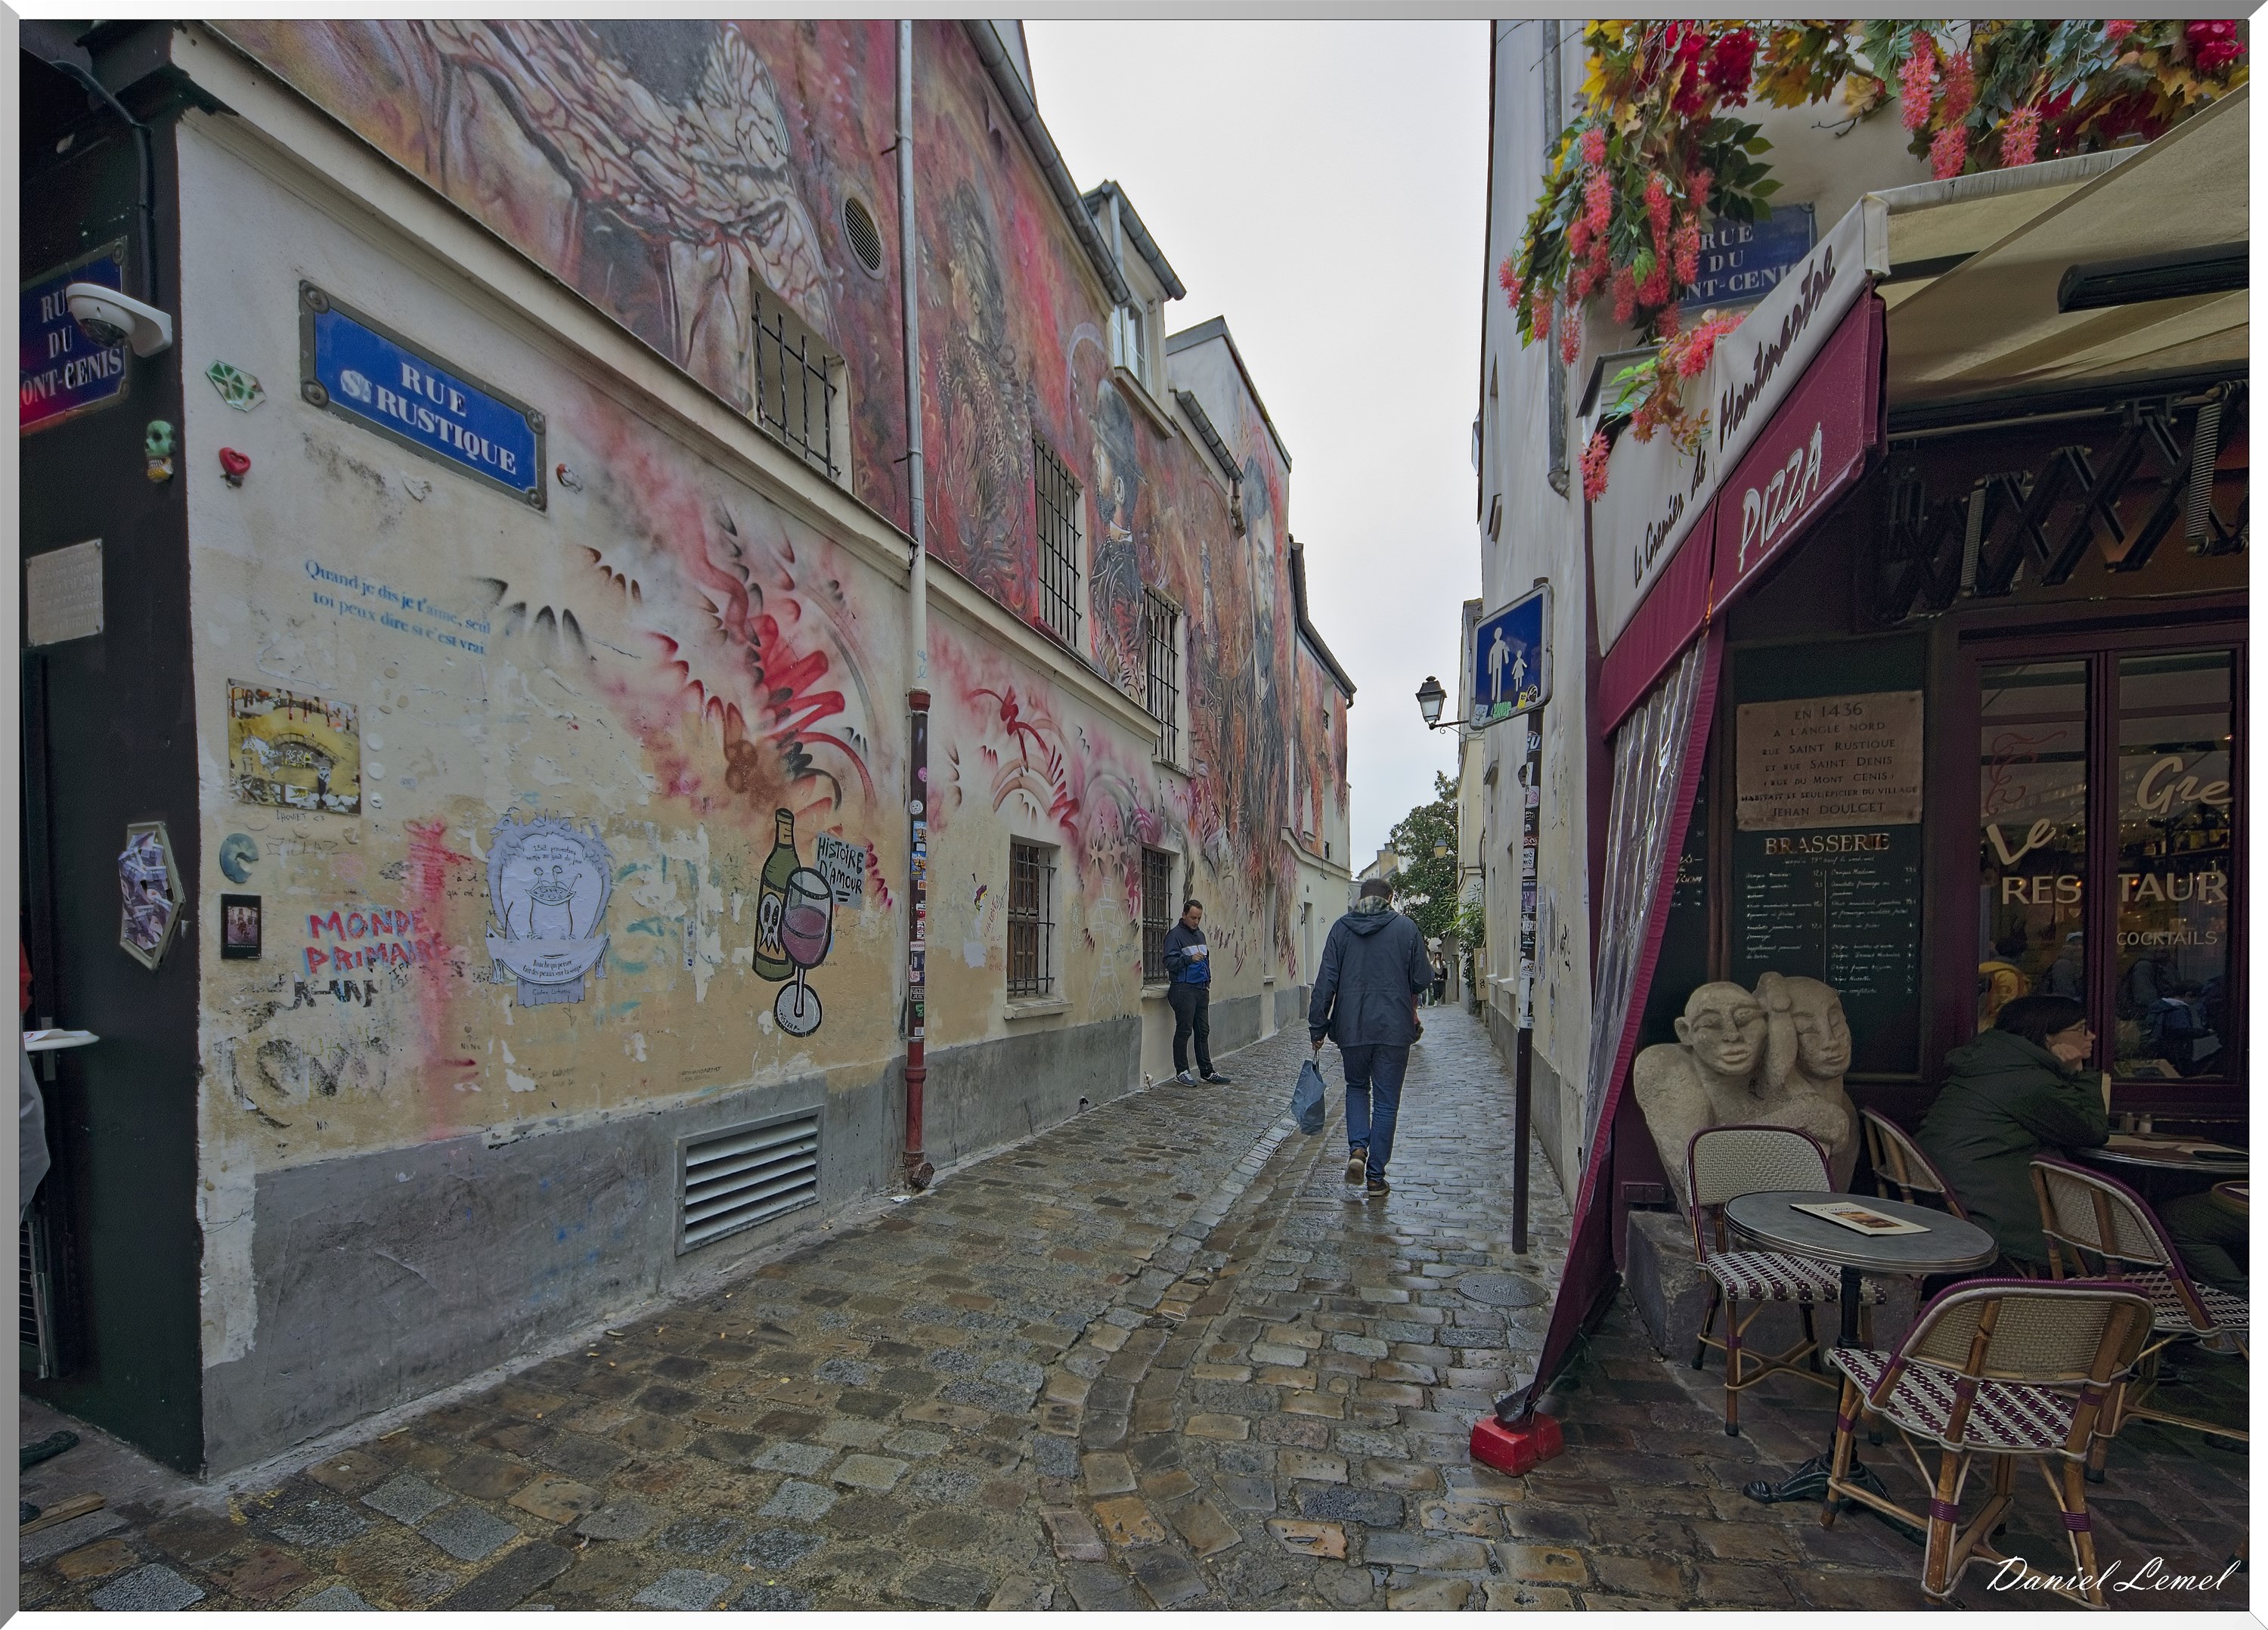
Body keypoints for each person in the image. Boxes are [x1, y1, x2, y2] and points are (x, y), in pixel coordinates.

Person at [1918, 994, 2108, 1270]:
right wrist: (2076, 1072)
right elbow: (2092, 1131)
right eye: (2080, 1029)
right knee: (2101, 1236)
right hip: (1989, 1210)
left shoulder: (1996, 1061)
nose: (2091, 1036)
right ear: (2049, 1038)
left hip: (1953, 1193)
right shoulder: (2028, 1080)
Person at [1309, 879, 1433, 1197]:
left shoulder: (1340, 929)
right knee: (1387, 1102)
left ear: (1360, 898)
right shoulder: (1406, 929)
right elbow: (1422, 978)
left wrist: (1318, 1027)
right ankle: (1376, 1177)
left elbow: (1325, 982)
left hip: (1352, 1028)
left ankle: (1357, 1151)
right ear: (1390, 899)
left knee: (1356, 1088)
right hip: (1394, 1029)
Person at [1162, 899, 1233, 1086]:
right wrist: (1188, 959)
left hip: (1201, 989)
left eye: (1199, 918)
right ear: (1184, 915)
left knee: (1203, 1031)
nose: (1196, 921)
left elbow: (1205, 961)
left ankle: (1207, 1071)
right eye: (1193, 917)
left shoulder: (1200, 935)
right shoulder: (1174, 936)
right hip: (1183, 989)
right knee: (1184, 1030)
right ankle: (1181, 1071)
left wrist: (1207, 981)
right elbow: (1169, 963)